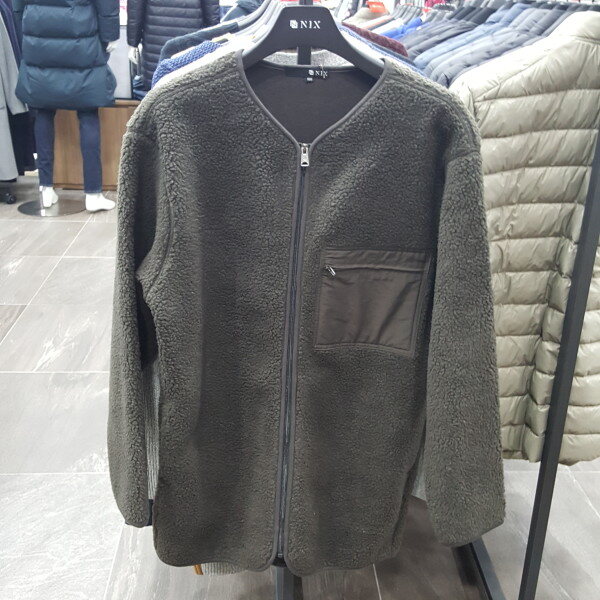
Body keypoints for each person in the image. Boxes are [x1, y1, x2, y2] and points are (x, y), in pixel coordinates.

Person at [14, 0, 120, 211]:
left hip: (39, 35)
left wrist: (24, 31)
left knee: (43, 110)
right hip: (81, 36)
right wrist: (110, 35)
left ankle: (45, 188)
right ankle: (93, 193)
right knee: (88, 111)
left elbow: (17, 6)